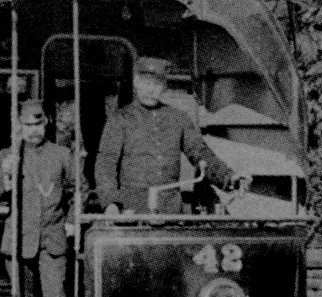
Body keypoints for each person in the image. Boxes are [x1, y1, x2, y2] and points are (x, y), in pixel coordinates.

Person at [0, 99, 86, 297]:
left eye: (37, 124)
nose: (33, 131)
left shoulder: (63, 155)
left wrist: (73, 220)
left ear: (46, 123)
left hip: (52, 239)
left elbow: (80, 190)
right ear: (19, 125)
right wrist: (5, 175)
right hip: (18, 240)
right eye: (27, 125)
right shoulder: (8, 155)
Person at [94, 56, 249, 215]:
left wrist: (228, 177)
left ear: (164, 87)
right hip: (132, 209)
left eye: (156, 84)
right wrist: (110, 203)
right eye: (146, 83)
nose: (150, 89)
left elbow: (200, 152)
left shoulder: (178, 118)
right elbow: (106, 163)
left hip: (170, 210)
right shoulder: (120, 119)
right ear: (136, 83)